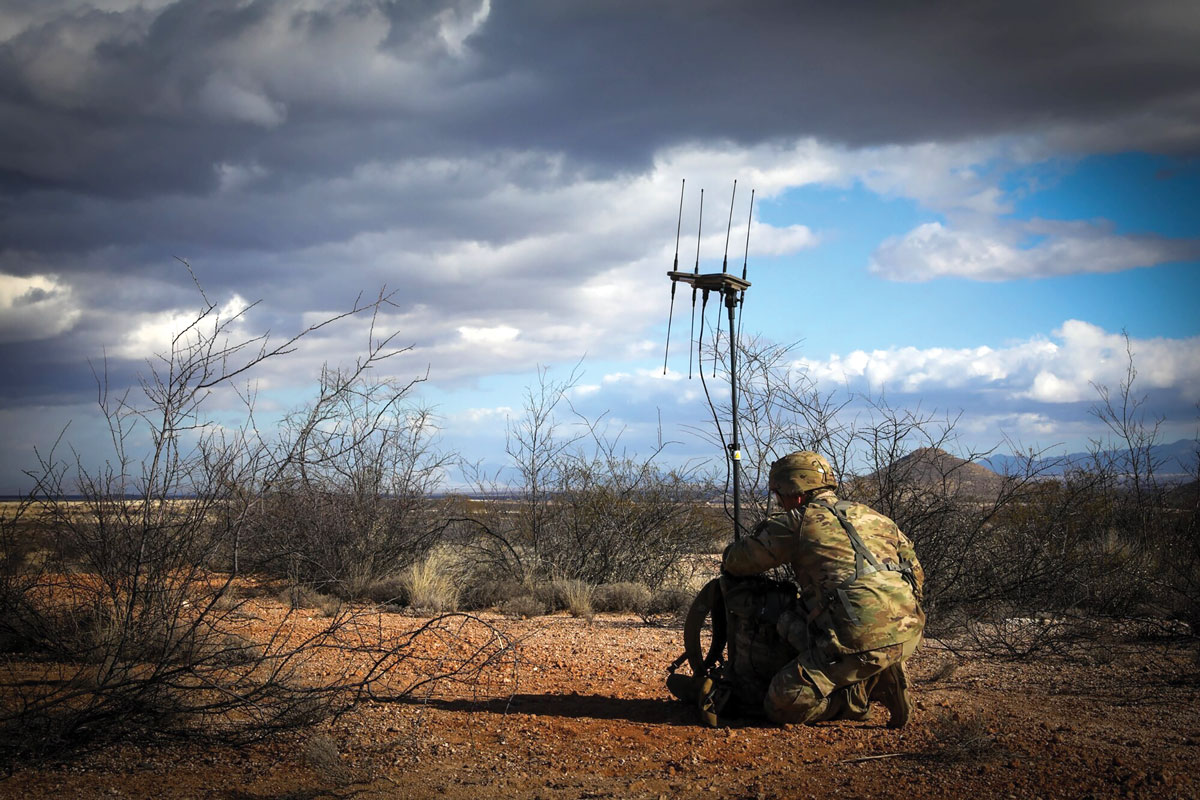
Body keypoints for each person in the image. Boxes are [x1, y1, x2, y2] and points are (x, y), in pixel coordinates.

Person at [719, 450, 925, 727]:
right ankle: (879, 665)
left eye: (778, 493)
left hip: (855, 640)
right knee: (798, 618)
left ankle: (857, 695)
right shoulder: (875, 517)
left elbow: (738, 561)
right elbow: (916, 574)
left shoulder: (797, 522)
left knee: (783, 703)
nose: (778, 501)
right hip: (909, 630)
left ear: (795, 492)